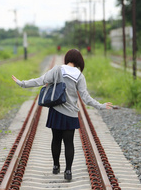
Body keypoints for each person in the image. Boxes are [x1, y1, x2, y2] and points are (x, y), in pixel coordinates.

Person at [12, 49, 112, 181]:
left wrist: (22, 83)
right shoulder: (79, 76)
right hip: (71, 114)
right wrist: (101, 106)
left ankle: (55, 166)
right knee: (69, 143)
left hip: (56, 112)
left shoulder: (57, 69)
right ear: (79, 61)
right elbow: (86, 98)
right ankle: (68, 171)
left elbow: (40, 80)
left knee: (56, 140)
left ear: (67, 58)